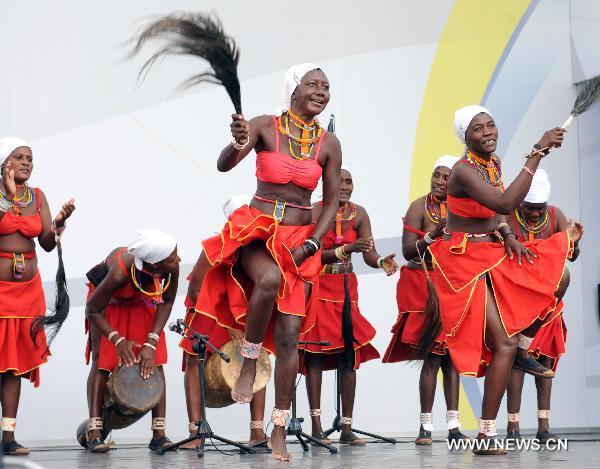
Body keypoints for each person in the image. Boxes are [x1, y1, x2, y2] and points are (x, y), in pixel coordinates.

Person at [414, 105, 582, 455]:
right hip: (465, 264)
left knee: (558, 274)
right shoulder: (462, 172)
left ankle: (523, 346)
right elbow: (506, 199)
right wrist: (537, 152)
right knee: (501, 345)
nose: (488, 132)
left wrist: (508, 234)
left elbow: (498, 211)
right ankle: (487, 434)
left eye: (491, 124)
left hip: (493, 254)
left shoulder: (492, 163)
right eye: (478, 129)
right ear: (466, 136)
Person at [195, 63, 342, 461]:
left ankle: (278, 426)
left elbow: (330, 203)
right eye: (313, 84)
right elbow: (225, 164)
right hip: (259, 229)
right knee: (268, 281)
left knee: (292, 337)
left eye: (326, 86)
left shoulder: (328, 143)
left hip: (302, 239)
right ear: (293, 90)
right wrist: (235, 142)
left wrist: (312, 245)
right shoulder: (263, 125)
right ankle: (249, 359)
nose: (321, 91)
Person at [300, 166, 397, 446]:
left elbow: (367, 250)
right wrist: (345, 250)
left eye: (349, 181)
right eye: (339, 181)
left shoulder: (360, 213)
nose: (344, 186)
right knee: (315, 356)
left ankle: (347, 427)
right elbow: (312, 254)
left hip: (346, 289)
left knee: (348, 356)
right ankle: (316, 427)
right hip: (319, 287)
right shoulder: (315, 211)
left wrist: (380, 262)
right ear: (327, 182)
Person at [382, 156, 468, 444]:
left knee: (453, 360)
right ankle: (426, 427)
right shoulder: (420, 206)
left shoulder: (462, 207)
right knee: (432, 357)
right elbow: (408, 252)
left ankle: (455, 427)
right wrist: (433, 236)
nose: (441, 181)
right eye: (437, 175)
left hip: (452, 287)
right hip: (424, 284)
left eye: (446, 177)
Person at [0, 137, 75, 456]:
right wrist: (9, 199)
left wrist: (58, 223)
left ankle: (8, 436)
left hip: (27, 291)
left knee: (13, 367)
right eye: (19, 157)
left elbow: (45, 243)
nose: (27, 162)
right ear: (5, 163)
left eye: (30, 157)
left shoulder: (39, 196)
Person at [180, 195, 268, 449]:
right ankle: (196, 433)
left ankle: (257, 432)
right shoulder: (213, 247)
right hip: (209, 314)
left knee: (258, 361)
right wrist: (226, 326)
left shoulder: (260, 248)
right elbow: (196, 291)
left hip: (242, 316)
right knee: (193, 363)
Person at [85, 229, 180, 453]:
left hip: (140, 302)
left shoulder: (170, 268)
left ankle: (159, 435)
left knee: (154, 361)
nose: (178, 259)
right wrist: (117, 339)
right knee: (102, 363)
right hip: (105, 305)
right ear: (154, 264)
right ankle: (95, 432)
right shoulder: (119, 272)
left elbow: (167, 301)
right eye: (172, 256)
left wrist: (151, 341)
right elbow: (92, 309)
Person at [505, 169, 581, 443]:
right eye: (529, 209)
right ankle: (512, 428)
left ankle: (543, 427)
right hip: (518, 301)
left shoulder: (557, 216)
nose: (535, 214)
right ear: (521, 203)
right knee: (516, 362)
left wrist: (575, 241)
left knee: (545, 361)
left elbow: (569, 257)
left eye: (540, 209)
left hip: (548, 306)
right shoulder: (508, 216)